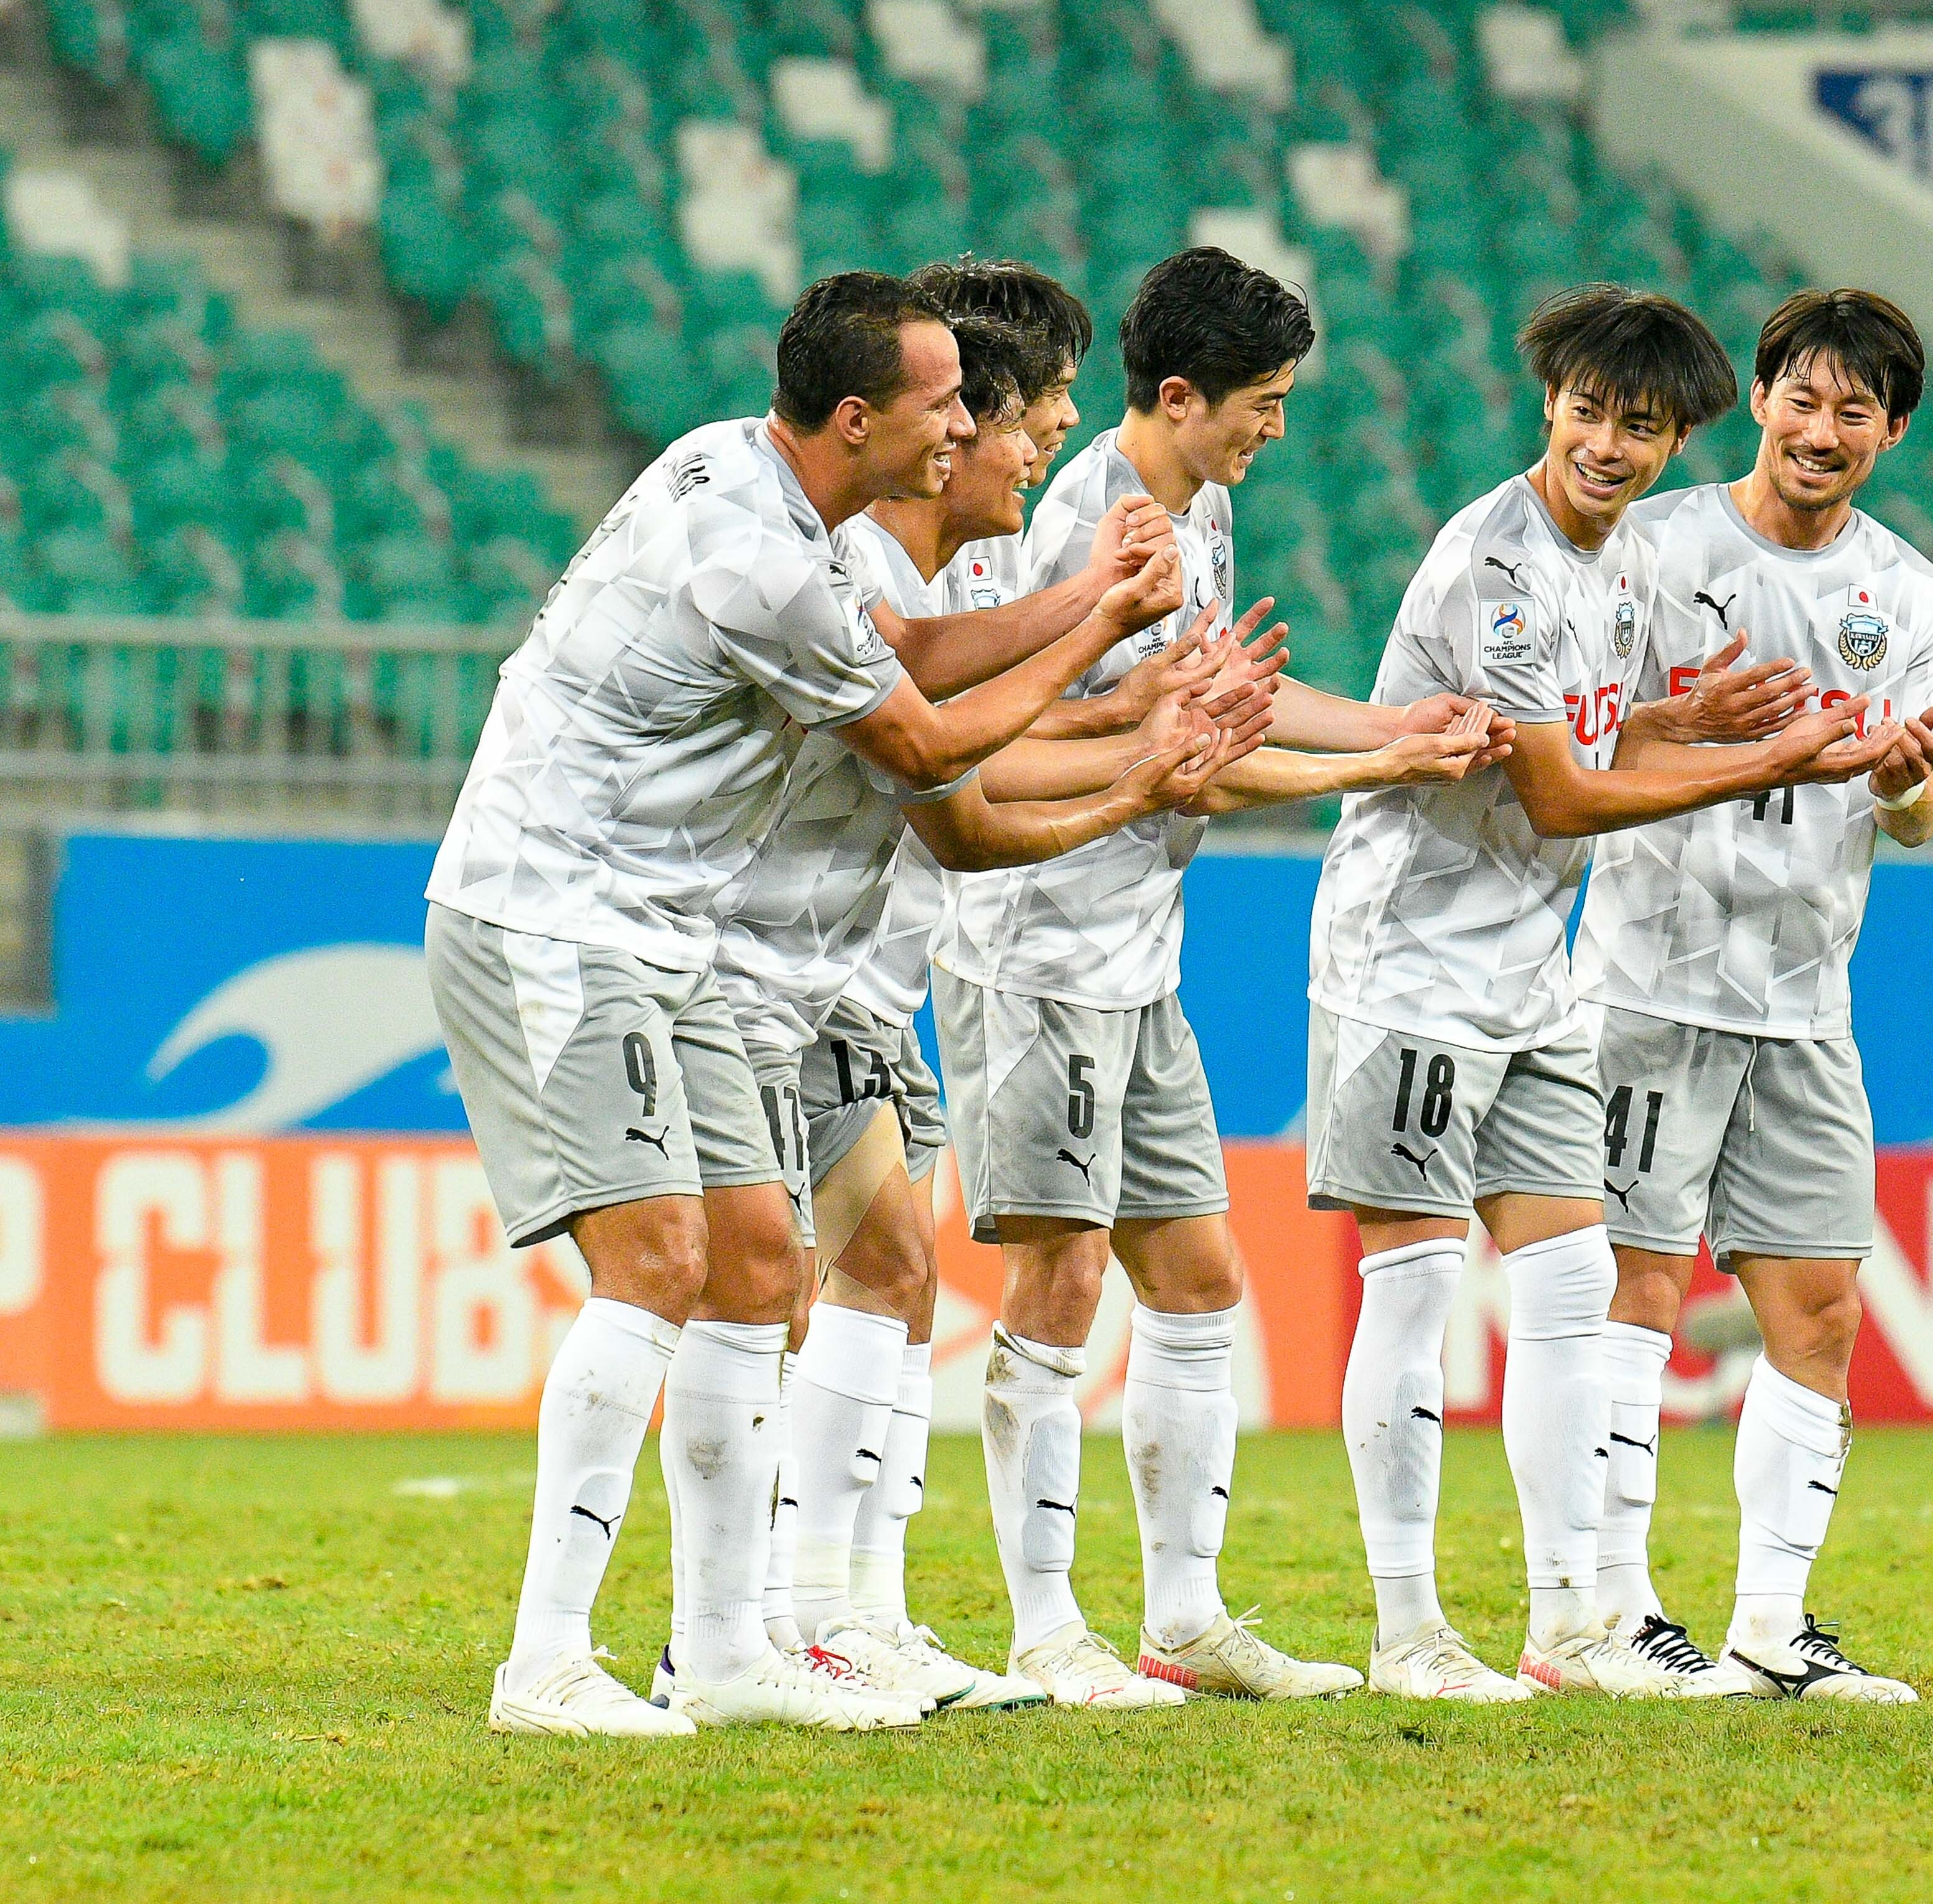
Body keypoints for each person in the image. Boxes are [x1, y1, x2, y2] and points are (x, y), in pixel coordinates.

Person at [436, 272, 1161, 1734]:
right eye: (945, 400)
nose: (968, 423)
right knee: (654, 1260)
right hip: (554, 916)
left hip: (672, 935)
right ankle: (546, 1661)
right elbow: (924, 739)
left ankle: (725, 1652)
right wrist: (1102, 635)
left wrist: (1082, 601)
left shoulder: (752, 476)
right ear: (856, 420)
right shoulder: (758, 555)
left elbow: (896, 657)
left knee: (763, 1262)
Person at [1308, 283, 1906, 1702]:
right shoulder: (1498, 563)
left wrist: (1672, 718)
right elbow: (1567, 796)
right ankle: (1407, 1633)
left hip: (1525, 974)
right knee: (1411, 1291)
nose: (1612, 446)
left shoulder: (1622, 564)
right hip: (1410, 969)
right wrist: (1764, 764)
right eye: (1591, 413)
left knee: (1576, 1285)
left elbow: (1583, 732)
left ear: (1678, 432)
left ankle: (1572, 1623)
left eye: (1642, 426)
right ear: (1549, 406)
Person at [937, 246, 1509, 1708]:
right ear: (1178, 395)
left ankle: (1183, 1619)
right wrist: (1374, 761)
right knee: (1058, 1278)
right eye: (1259, 403)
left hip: (1140, 957)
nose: (1275, 430)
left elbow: (1228, 706)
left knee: (1196, 1280)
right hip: (1040, 949)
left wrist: (1392, 721)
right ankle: (1046, 1628)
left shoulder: (1203, 508)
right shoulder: (1077, 526)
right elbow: (1151, 751)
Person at [707, 270, 1265, 1716]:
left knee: (883, 1277)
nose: (1049, 433)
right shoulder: (874, 571)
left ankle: (844, 1615)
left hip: (869, 976)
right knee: (767, 1291)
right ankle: (755, 1625)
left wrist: (1158, 724)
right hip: (817, 970)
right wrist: (1130, 715)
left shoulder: (948, 559)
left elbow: (979, 748)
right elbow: (953, 779)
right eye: (1028, 408)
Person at [1573, 289, 1933, 1703]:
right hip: (1647, 982)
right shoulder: (1658, 546)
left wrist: (1906, 782)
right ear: (1758, 401)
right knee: (1634, 1289)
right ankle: (1610, 1615)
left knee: (1820, 1309)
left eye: (1853, 411)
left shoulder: (1915, 597)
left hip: (1806, 1001)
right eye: (1801, 400)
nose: (1821, 430)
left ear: (1891, 432)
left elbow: (1921, 813)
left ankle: (1770, 1624)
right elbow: (1580, 741)